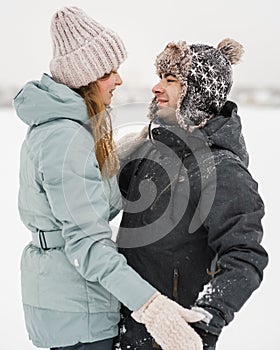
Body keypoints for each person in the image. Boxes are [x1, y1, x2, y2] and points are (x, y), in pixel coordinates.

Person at [13, 7, 206, 350]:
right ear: (86, 78)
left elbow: (91, 195)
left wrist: (139, 146)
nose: (118, 80)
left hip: (68, 304)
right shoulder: (64, 142)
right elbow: (87, 245)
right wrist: (152, 307)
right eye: (109, 72)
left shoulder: (68, 132)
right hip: (78, 313)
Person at [115, 39, 269, 349]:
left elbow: (245, 255)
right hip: (125, 328)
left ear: (197, 94)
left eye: (170, 80)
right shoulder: (149, 150)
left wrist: (204, 320)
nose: (157, 87)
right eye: (160, 77)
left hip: (171, 339)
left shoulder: (222, 169)